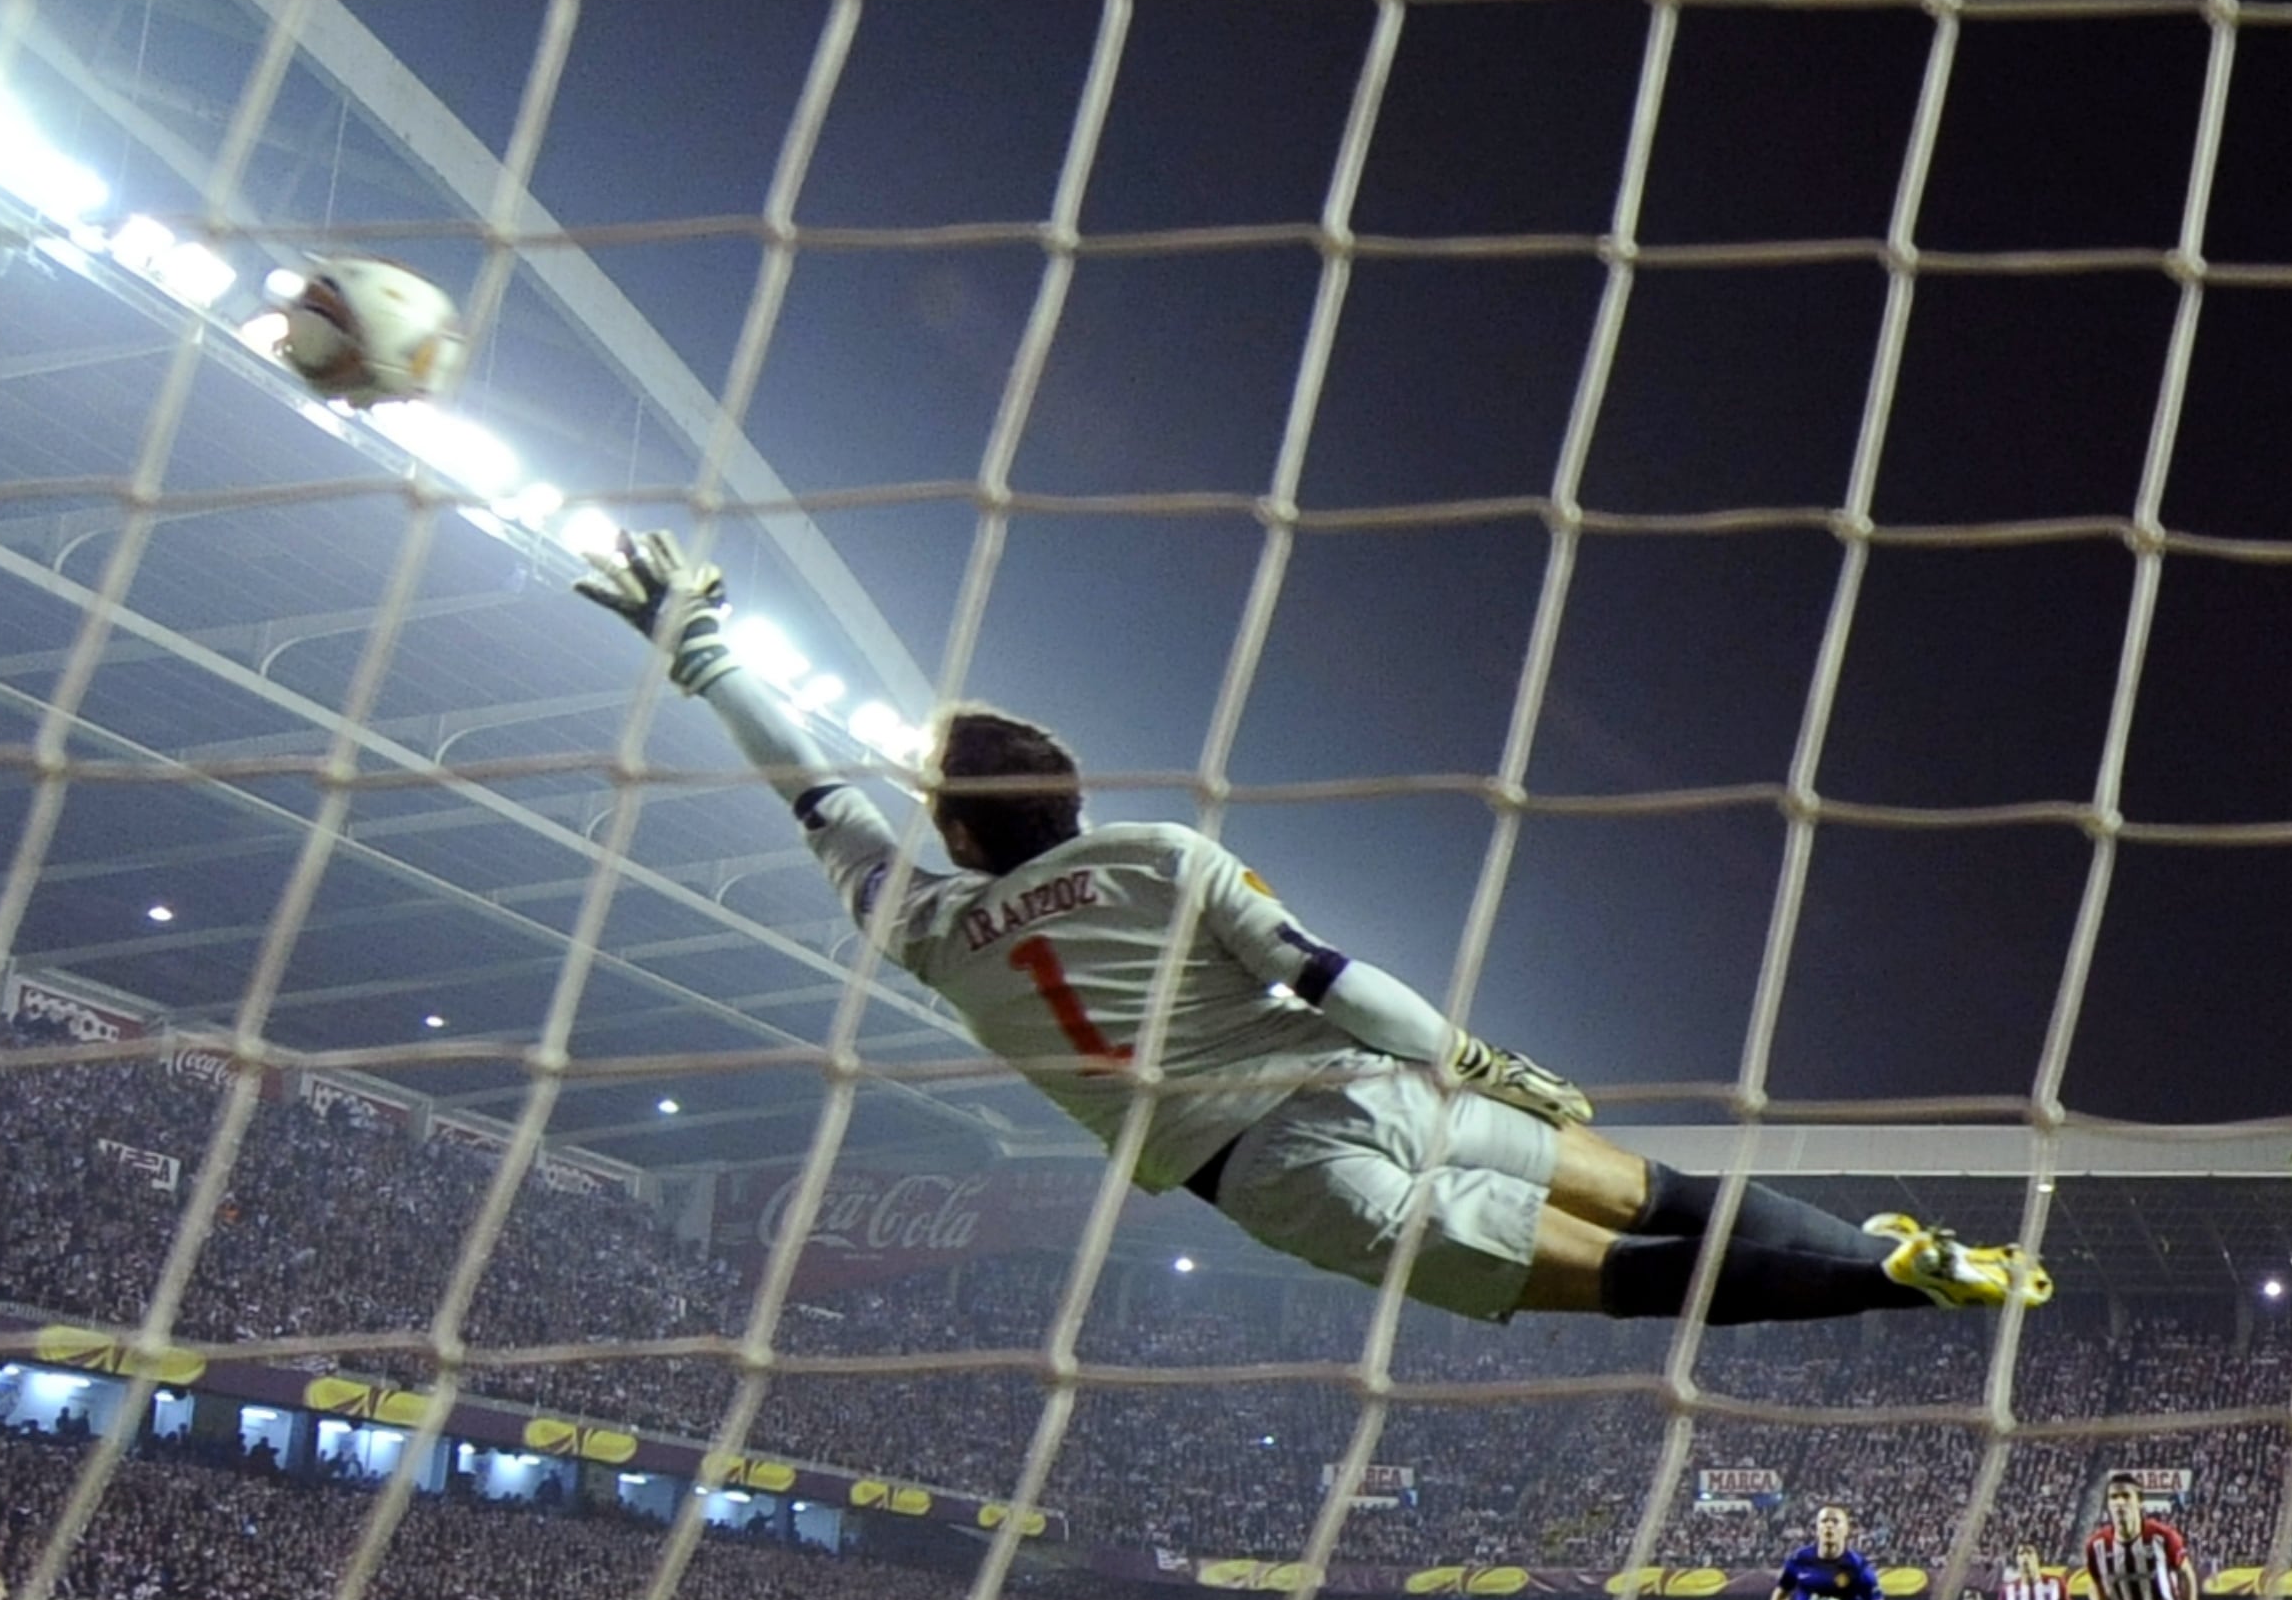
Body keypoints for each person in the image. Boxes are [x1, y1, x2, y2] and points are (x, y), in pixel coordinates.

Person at [578, 533, 2049, 1328]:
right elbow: (1319, 974)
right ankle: (1880, 1253)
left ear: (958, 834)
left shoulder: (928, 924)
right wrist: (1486, 1064)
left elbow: (818, 794)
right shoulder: (1157, 853)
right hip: (1375, 1078)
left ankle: (1877, 1282)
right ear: (1068, 798)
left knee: (1608, 1283)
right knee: (1655, 1189)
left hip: (1265, 1168)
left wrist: (700, 653)